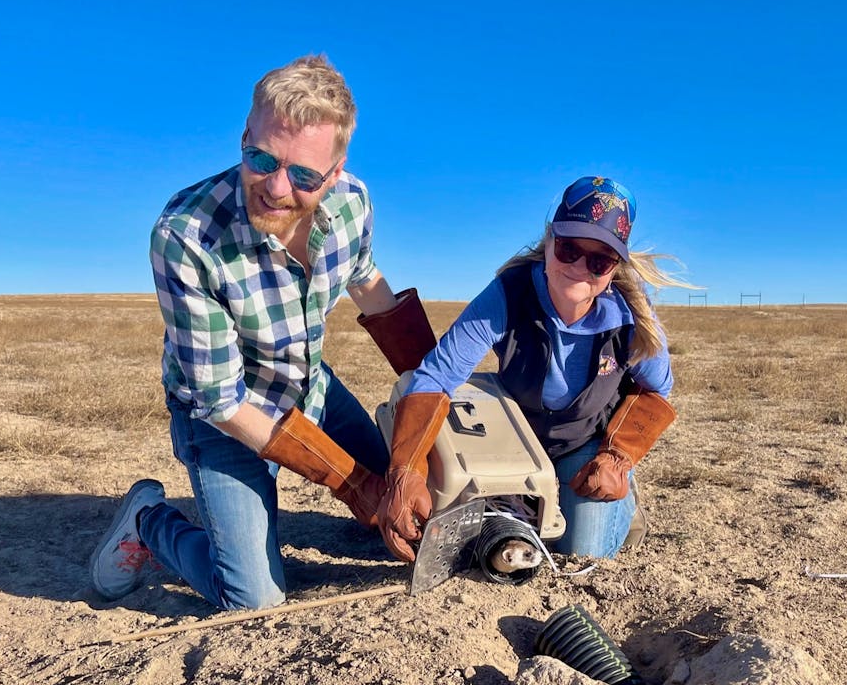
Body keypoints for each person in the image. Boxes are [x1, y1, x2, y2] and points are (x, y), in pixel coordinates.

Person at [90, 55, 436, 610]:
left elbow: (368, 282)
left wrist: (431, 391)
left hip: (309, 388)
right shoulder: (185, 235)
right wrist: (352, 484)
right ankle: (149, 521)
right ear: (244, 136)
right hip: (223, 417)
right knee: (252, 599)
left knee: (411, 510)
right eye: (260, 159)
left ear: (337, 171)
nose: (276, 188)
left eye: (304, 175)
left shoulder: (354, 204)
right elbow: (223, 403)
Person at [378, 176, 687, 563]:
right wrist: (405, 471)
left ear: (614, 269)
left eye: (599, 260)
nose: (579, 267)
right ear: (549, 242)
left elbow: (658, 390)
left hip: (585, 445)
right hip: (515, 442)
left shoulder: (631, 315)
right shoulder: (510, 293)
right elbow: (436, 377)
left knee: (579, 551)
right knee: (483, 540)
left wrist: (618, 457)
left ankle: (623, 504)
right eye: (569, 249)